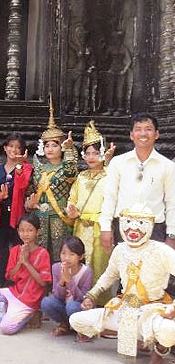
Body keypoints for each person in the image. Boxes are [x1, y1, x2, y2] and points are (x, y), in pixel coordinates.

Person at [69, 204, 175, 364]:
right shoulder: (120, 249)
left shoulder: (162, 251)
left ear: (151, 225)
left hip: (153, 309)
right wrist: (91, 296)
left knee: (171, 331)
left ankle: (157, 353)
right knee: (76, 320)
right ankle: (139, 338)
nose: (133, 228)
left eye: (140, 223)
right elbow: (109, 275)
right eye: (128, 222)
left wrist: (173, 308)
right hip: (125, 307)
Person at [100, 112, 175, 252]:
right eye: (138, 129)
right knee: (126, 272)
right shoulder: (118, 162)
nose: (143, 133)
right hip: (124, 227)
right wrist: (105, 228)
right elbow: (110, 197)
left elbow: (172, 202)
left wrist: (172, 235)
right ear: (131, 135)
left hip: (155, 229)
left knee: (153, 272)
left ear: (156, 134)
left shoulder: (168, 166)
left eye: (148, 129)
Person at [66, 121, 115, 304]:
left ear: (103, 154)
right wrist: (71, 209)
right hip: (81, 227)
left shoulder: (110, 174)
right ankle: (77, 302)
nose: (91, 157)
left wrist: (109, 163)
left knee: (100, 266)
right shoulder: (81, 176)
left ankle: (100, 305)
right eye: (87, 153)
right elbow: (73, 198)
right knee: (80, 265)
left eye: (96, 152)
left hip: (99, 227)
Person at [0, 214, 51, 335]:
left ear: (38, 232)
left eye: (29, 230)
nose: (25, 234)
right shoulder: (16, 250)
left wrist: (27, 263)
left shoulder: (43, 253)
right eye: (22, 230)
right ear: (17, 231)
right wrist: (20, 262)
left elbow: (43, 282)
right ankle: (9, 308)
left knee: (6, 328)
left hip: (29, 300)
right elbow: (10, 277)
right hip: (14, 292)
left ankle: (31, 314)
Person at [25, 100, 78, 262]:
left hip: (60, 215)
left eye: (54, 145)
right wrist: (30, 204)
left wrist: (69, 149)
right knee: (40, 252)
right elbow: (31, 191)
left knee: (59, 252)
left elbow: (71, 173)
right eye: (47, 145)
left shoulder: (66, 167)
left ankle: (59, 283)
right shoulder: (40, 167)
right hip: (40, 214)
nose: (49, 149)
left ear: (60, 147)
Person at [0, 133, 32, 287]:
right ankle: (0, 282)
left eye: (18, 147)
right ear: (5, 148)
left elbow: (22, 186)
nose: (14, 150)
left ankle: (16, 282)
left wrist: (20, 165)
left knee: (17, 248)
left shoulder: (26, 168)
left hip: (17, 215)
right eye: (11, 146)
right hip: (0, 214)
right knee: (1, 249)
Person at [41, 236, 93, 336]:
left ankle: (81, 328)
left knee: (72, 306)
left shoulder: (86, 272)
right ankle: (65, 324)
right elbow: (57, 296)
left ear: (81, 256)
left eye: (72, 254)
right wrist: (62, 282)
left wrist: (69, 280)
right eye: (63, 253)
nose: (67, 258)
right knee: (46, 302)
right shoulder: (56, 268)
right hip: (63, 305)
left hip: (78, 307)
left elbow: (83, 298)